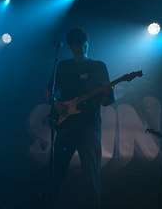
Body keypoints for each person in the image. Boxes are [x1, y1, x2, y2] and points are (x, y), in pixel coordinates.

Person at [46, 27, 114, 208]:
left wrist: (108, 92)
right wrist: (56, 104)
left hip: (89, 128)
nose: (82, 48)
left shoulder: (98, 67)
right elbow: (48, 91)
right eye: (78, 45)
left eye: (85, 44)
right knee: (55, 174)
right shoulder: (62, 66)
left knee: (91, 177)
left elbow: (107, 101)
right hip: (65, 127)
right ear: (70, 46)